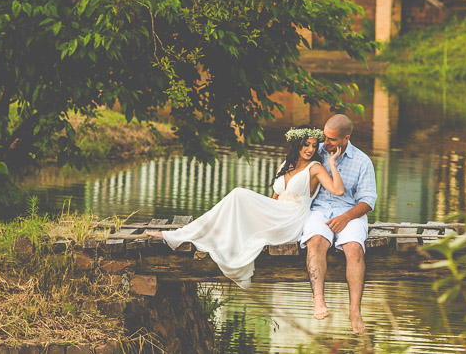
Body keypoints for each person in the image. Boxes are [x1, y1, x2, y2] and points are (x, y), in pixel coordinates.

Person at [143, 127, 345, 289]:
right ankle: (187, 233)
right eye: (306, 144)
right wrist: (264, 215)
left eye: (313, 145)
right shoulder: (285, 165)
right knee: (237, 202)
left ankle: (185, 233)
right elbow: (274, 197)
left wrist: (332, 163)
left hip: (292, 218)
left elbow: (338, 190)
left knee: (239, 194)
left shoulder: (315, 168)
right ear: (296, 144)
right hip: (277, 213)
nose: (310, 149)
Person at [300, 113, 376, 335]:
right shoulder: (316, 153)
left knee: (353, 248)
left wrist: (346, 217)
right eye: (325, 137)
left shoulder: (363, 161)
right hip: (319, 210)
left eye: (331, 139)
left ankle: (355, 311)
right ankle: (318, 300)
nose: (326, 143)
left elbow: (368, 201)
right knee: (315, 241)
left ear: (346, 138)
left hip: (349, 213)